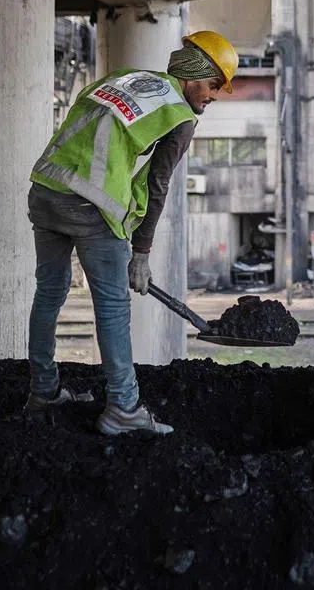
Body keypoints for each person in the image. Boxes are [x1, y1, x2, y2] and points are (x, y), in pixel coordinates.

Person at [24, 31, 238, 436]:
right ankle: (123, 407)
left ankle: (44, 390)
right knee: (112, 307)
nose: (214, 96)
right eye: (213, 85)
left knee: (49, 293)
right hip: (89, 203)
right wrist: (140, 252)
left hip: (45, 187)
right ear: (194, 77)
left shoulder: (123, 77)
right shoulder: (180, 114)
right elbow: (158, 184)